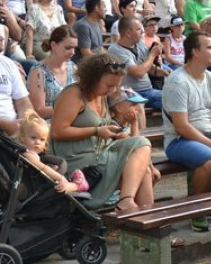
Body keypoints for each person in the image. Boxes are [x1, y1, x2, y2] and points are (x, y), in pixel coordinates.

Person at [50, 53, 154, 211]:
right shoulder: (73, 94)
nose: (112, 90)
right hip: (78, 163)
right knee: (142, 145)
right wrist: (96, 131)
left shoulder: (102, 96)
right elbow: (57, 132)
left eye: (116, 86)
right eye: (108, 85)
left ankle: (146, 222)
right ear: (93, 78)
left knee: (145, 170)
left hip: (101, 155)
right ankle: (127, 202)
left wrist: (116, 134)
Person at [162, 31, 211, 228]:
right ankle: (196, 209)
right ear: (195, 52)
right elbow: (181, 127)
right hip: (179, 140)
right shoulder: (177, 81)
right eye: (209, 47)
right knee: (209, 159)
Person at [16, 111, 80, 194]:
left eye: (42, 139)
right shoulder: (28, 155)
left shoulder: (33, 154)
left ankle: (74, 184)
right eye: (33, 138)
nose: (37, 142)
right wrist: (60, 178)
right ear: (22, 137)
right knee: (60, 183)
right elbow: (42, 168)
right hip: (34, 187)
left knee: (56, 172)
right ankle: (76, 185)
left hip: (35, 183)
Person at [108, 15, 165, 109]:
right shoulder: (115, 50)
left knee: (175, 99)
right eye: (139, 29)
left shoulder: (140, 44)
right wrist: (152, 54)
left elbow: (148, 67)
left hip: (149, 91)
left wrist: (166, 73)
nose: (143, 31)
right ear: (129, 33)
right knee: (139, 107)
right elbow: (139, 73)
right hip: (129, 92)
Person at [27, 25, 77, 119]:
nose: (73, 52)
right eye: (68, 48)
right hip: (48, 124)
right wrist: (72, 109)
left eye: (74, 48)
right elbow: (39, 110)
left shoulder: (72, 67)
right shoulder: (38, 72)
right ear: (53, 45)